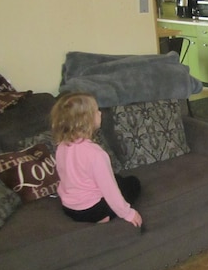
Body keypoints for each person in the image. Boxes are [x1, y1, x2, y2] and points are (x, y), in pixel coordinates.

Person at [50, 92, 143, 227]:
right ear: (85, 120)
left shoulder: (62, 146)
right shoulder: (96, 154)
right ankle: (105, 216)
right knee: (133, 183)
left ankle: (100, 212)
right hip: (94, 210)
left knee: (116, 178)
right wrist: (128, 213)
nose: (100, 113)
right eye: (96, 111)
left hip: (70, 208)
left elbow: (65, 176)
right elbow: (110, 191)